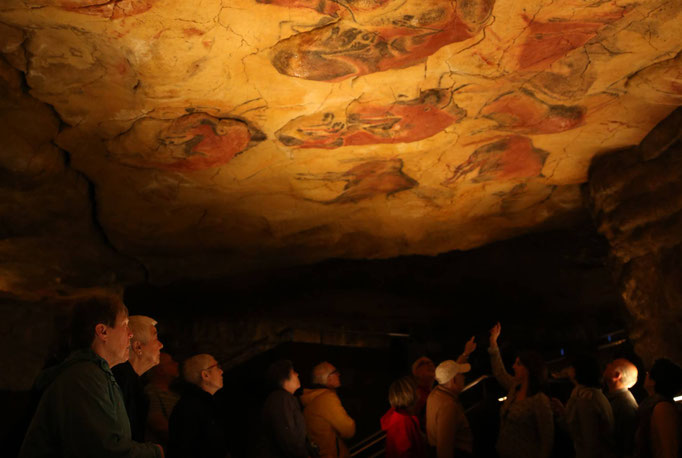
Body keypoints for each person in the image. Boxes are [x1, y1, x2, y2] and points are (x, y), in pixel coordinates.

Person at [19, 295, 163, 458]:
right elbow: (104, 451)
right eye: (125, 325)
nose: (130, 334)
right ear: (103, 331)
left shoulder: (97, 375)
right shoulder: (84, 378)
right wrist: (156, 453)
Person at [488, 322, 553, 458]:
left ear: (528, 369)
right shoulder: (514, 388)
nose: (513, 366)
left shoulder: (539, 401)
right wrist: (493, 342)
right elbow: (500, 372)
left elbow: (547, 440)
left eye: (518, 364)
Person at [113, 315, 164, 442]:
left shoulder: (132, 382)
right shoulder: (121, 382)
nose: (161, 345)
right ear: (138, 347)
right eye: (155, 337)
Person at [552, 354, 614, 458]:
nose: (567, 370)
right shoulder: (590, 394)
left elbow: (589, 439)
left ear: (578, 370)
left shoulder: (586, 398)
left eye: (571, 366)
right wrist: (563, 412)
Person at [168, 354, 229, 458]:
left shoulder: (202, 403)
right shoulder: (190, 408)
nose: (221, 371)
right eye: (217, 367)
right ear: (205, 375)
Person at [300, 361, 356, 458]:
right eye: (335, 372)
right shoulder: (326, 398)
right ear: (327, 378)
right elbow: (348, 430)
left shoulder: (312, 400)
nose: (339, 374)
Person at [260, 359, 311, 458]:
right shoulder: (282, 399)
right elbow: (290, 440)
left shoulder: (280, 399)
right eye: (293, 372)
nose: (297, 374)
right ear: (284, 378)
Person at [425, 359, 474, 458]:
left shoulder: (434, 394)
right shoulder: (448, 405)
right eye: (461, 374)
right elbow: (444, 448)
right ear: (453, 380)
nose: (464, 377)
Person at [634, 358, 682, 458]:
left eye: (649, 373)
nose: (646, 374)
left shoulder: (662, 408)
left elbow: (669, 450)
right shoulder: (653, 404)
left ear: (654, 381)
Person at [381, 376, 428, 458]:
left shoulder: (402, 417)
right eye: (416, 388)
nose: (419, 392)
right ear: (409, 393)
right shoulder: (402, 422)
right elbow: (405, 453)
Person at [604, 358, 639, 458]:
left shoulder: (626, 405)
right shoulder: (614, 399)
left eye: (612, 364)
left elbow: (626, 445)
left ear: (617, 376)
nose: (607, 365)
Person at [145, 352, 181, 450]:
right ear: (160, 370)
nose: (177, 364)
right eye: (171, 362)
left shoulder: (175, 394)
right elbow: (160, 426)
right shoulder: (151, 393)